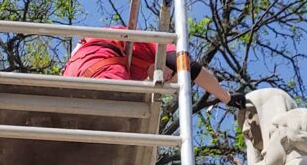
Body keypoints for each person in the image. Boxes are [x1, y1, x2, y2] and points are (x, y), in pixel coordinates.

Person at [62, 27, 242, 107]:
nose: (166, 79)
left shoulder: (134, 64)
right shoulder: (155, 44)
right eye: (171, 76)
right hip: (102, 68)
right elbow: (190, 68)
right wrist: (225, 97)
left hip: (70, 79)